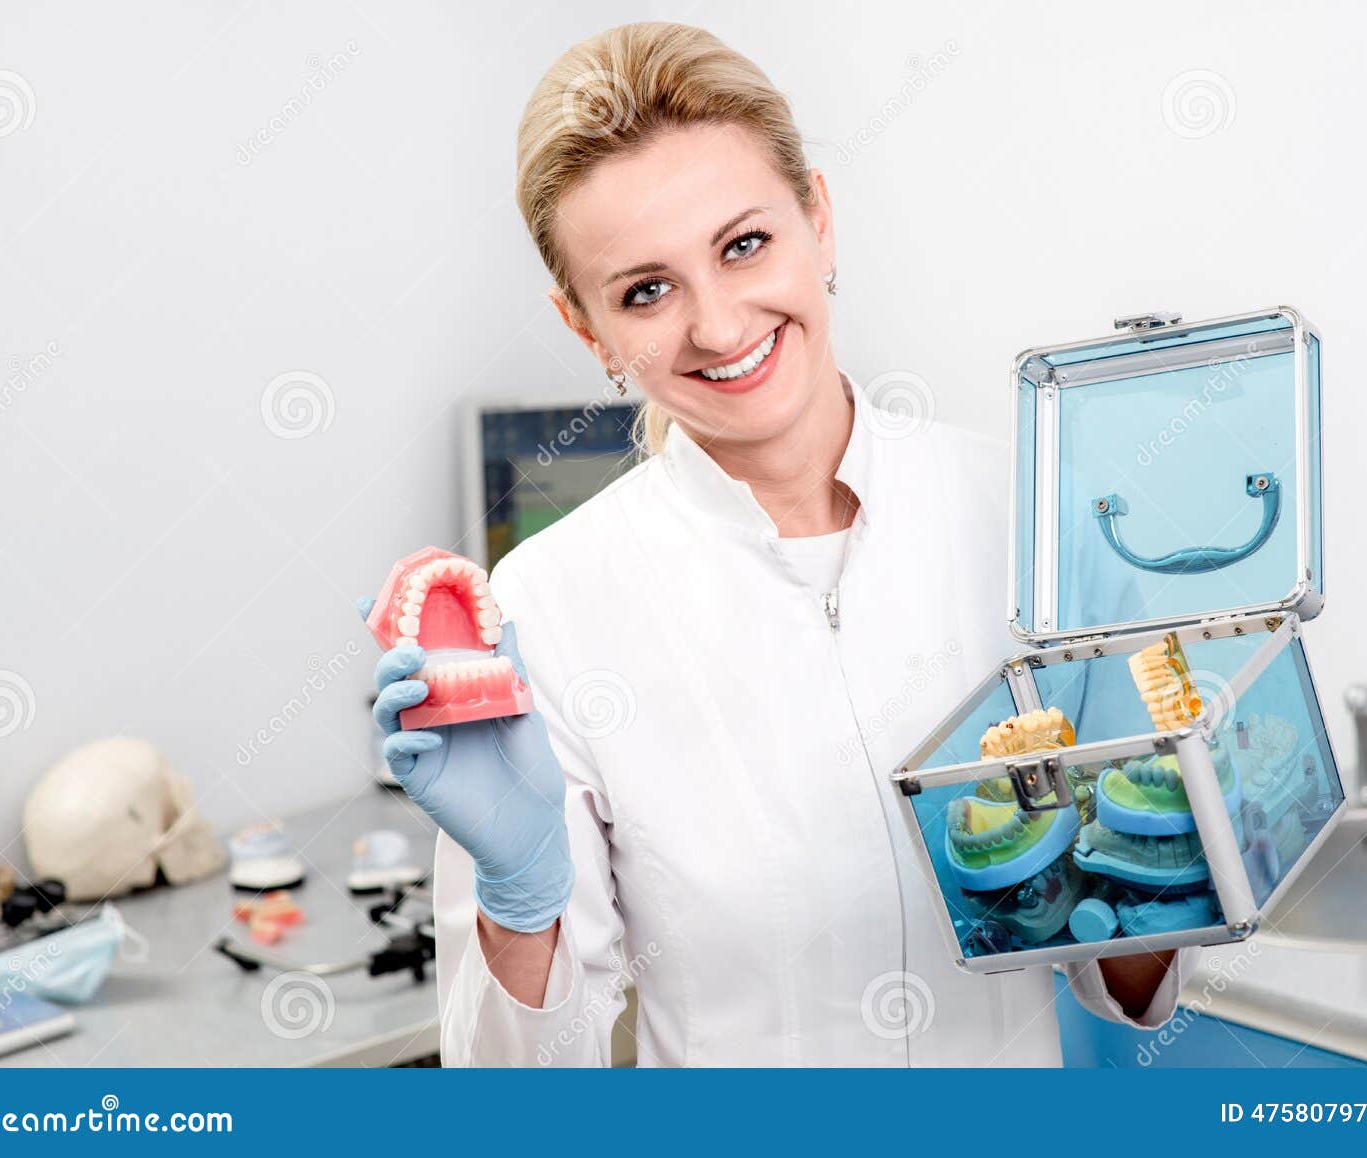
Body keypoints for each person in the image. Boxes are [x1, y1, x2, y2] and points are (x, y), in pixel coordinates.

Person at [371, 21, 1189, 1066]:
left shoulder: (1017, 511)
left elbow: (1122, 976)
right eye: (645, 291)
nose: (716, 325)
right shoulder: (552, 603)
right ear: (588, 331)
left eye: (744, 243)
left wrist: (1161, 823)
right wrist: (520, 903)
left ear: (819, 221)